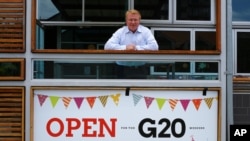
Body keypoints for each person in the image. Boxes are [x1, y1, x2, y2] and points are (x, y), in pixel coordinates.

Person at [104, 9, 159, 78]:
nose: (133, 22)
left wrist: (136, 48)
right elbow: (107, 46)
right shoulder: (120, 32)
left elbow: (154, 47)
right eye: (130, 20)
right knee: (121, 89)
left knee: (140, 89)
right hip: (121, 68)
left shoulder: (146, 31)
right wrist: (125, 48)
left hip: (141, 68)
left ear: (139, 21)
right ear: (126, 21)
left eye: (135, 20)